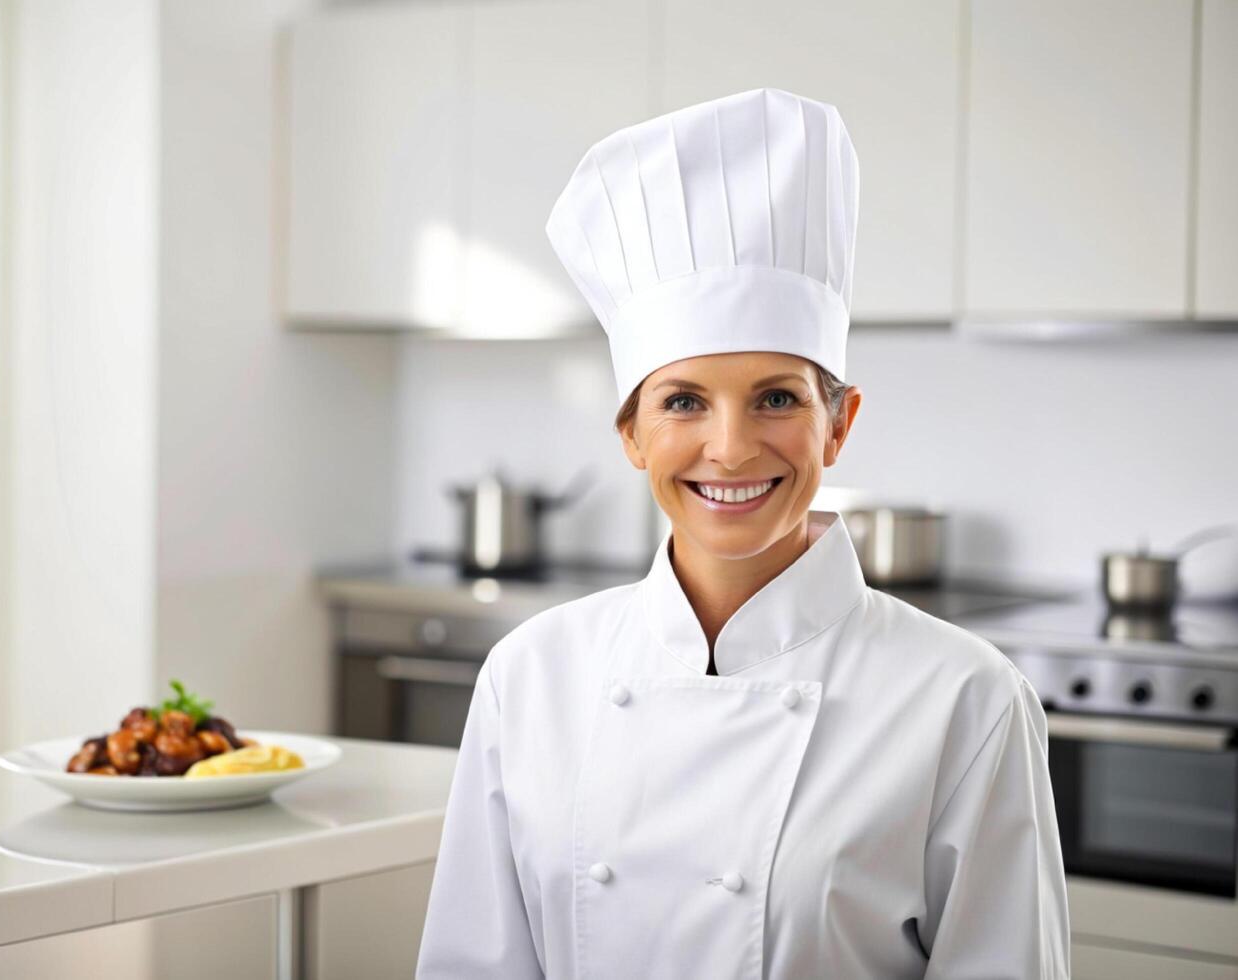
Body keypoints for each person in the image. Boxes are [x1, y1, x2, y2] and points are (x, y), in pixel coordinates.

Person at [415, 87, 1070, 979]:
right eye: (683, 401)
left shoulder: (965, 700)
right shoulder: (530, 677)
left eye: (776, 398)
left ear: (838, 426)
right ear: (631, 434)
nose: (730, 448)